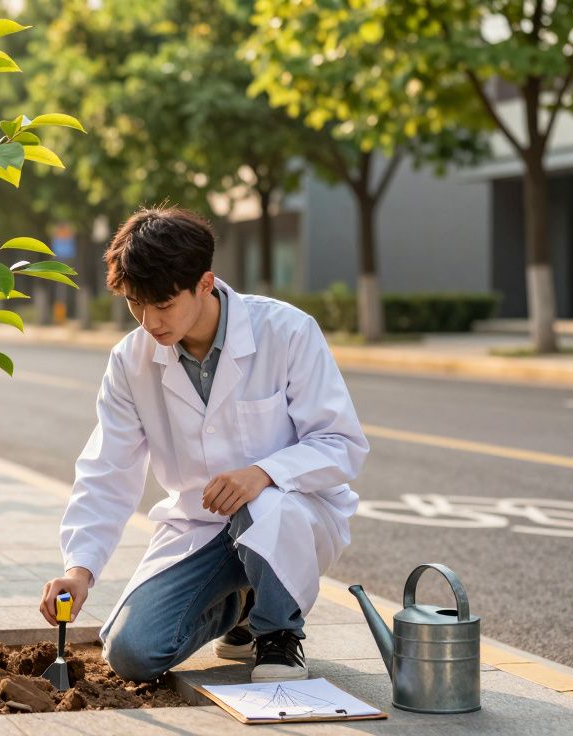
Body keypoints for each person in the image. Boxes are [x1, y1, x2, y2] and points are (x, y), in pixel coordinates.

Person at [38, 207, 369, 684]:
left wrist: (263, 474)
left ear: (204, 283)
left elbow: (342, 444)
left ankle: (278, 633)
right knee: (132, 653)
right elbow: (108, 468)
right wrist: (79, 569)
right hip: (201, 526)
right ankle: (242, 606)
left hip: (290, 515)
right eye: (135, 303)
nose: (149, 321)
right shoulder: (131, 361)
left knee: (265, 504)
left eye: (163, 304)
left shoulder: (287, 332)